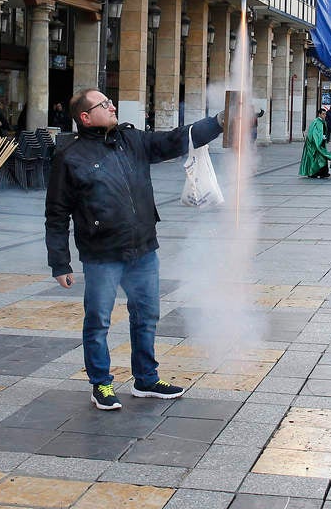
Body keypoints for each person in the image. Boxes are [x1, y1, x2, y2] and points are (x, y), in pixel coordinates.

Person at [45, 88, 224, 410]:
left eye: (109, 101)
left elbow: (174, 140)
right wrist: (60, 262)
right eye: (103, 104)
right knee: (98, 320)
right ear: (85, 117)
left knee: (146, 316)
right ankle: (101, 384)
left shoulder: (132, 140)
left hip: (142, 249)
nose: (112, 105)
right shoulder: (70, 157)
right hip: (102, 254)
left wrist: (219, 122)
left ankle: (146, 379)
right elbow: (56, 213)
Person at [299, 109, 331, 178]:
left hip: (321, 143)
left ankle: (323, 172)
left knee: (322, 157)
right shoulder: (315, 122)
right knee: (316, 158)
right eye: (323, 114)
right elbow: (312, 133)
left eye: (325, 114)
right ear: (319, 114)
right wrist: (320, 138)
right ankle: (314, 172)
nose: (324, 115)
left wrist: (323, 138)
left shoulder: (323, 122)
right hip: (315, 144)